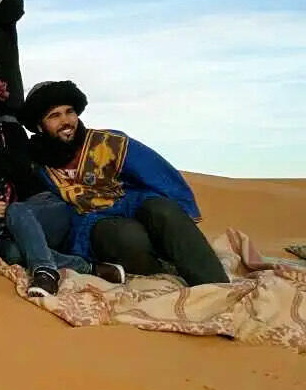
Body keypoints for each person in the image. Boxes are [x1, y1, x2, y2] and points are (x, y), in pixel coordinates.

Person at [22, 81, 227, 287]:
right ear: (40, 126)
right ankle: (162, 276)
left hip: (133, 203)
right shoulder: (37, 165)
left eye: (69, 112)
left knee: (165, 211)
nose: (66, 121)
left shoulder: (110, 142)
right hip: (92, 225)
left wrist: (181, 222)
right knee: (128, 237)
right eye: (54, 116)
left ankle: (217, 287)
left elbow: (159, 175)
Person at [0, 71, 101, 295]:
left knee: (16, 210)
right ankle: (85, 266)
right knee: (10, 253)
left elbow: (23, 176)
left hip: (40, 208)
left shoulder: (10, 131)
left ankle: (46, 273)